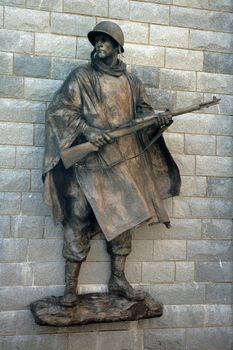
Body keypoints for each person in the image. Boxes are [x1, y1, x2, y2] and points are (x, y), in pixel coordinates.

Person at [43, 21, 181, 306]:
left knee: (125, 217)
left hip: (121, 164)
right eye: (97, 40)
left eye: (105, 41)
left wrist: (157, 120)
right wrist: (88, 130)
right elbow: (59, 110)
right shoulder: (80, 77)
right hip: (88, 165)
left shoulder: (132, 82)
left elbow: (142, 114)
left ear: (118, 47)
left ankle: (118, 278)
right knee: (77, 219)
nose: (99, 45)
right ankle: (71, 288)